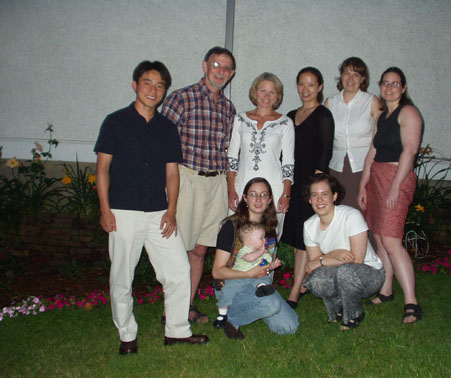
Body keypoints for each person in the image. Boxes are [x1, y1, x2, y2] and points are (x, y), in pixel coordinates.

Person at [95, 61, 208, 355]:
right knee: (122, 276)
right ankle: (127, 335)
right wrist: (105, 210)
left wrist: (171, 211)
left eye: (160, 86)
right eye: (148, 83)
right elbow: (103, 168)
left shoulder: (167, 128)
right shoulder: (115, 122)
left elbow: (172, 173)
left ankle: (177, 331)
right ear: (135, 85)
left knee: (179, 271)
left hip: (159, 213)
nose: (153, 90)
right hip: (123, 212)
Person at [161, 46, 236, 323]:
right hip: (187, 179)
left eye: (226, 68)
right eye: (216, 65)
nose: (221, 72)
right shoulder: (181, 98)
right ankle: (171, 310)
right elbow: (162, 144)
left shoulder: (229, 108)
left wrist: (229, 188)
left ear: (232, 74)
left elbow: (228, 152)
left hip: (215, 182)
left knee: (201, 249)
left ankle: (187, 307)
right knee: (178, 247)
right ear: (205, 65)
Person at [357, 67, 423, 324]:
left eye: (395, 84)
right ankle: (386, 291)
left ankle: (412, 304)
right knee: (379, 236)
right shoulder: (383, 116)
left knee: (392, 239)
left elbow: (409, 151)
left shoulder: (409, 113)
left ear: (403, 88)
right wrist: (363, 185)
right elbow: (372, 152)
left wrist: (396, 185)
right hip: (377, 177)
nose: (389, 87)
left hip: (397, 177)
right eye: (385, 83)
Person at [212, 177, 299, 340]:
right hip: (233, 285)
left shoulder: (271, 227)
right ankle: (231, 318)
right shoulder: (230, 226)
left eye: (263, 195)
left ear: (269, 200)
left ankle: (251, 306)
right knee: (270, 305)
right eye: (253, 194)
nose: (258, 199)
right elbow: (217, 272)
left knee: (289, 327)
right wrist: (249, 274)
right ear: (245, 198)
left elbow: (265, 261)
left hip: (257, 283)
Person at [281, 67, 334, 309]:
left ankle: (295, 291)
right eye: (301, 84)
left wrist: (315, 193)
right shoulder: (291, 115)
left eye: (311, 84)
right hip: (291, 183)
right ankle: (302, 281)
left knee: (305, 239)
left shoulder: (323, 116)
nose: (305, 89)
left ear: (320, 87)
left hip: (310, 186)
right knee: (295, 239)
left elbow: (324, 156)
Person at [302, 173, 384, 330]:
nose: (320, 200)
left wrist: (324, 259)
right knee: (317, 279)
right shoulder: (309, 226)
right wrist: (334, 254)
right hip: (340, 270)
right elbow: (314, 264)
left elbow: (357, 259)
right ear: (310, 199)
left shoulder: (351, 216)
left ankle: (354, 315)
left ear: (334, 196)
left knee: (346, 271)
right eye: (315, 195)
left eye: (325, 194)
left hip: (370, 273)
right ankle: (337, 309)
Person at [227, 72, 294, 239]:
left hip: (273, 190)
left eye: (272, 92)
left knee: (268, 240)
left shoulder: (285, 123)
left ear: (278, 96)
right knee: (237, 238)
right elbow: (232, 158)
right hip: (242, 187)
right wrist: (231, 190)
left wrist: (286, 194)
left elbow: (288, 162)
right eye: (263, 90)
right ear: (254, 92)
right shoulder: (240, 119)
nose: (267, 96)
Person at [325, 57, 381, 210]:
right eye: (346, 73)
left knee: (359, 210)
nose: (350, 78)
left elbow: (380, 136)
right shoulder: (331, 102)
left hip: (363, 167)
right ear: (341, 76)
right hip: (336, 167)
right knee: (337, 210)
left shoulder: (371, 101)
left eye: (356, 74)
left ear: (362, 78)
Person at [213, 221, 282, 328]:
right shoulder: (244, 250)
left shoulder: (265, 252)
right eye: (261, 238)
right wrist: (261, 252)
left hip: (255, 279)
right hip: (239, 278)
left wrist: (273, 265)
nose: (265, 240)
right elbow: (250, 258)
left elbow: (266, 266)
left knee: (265, 279)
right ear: (249, 241)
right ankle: (222, 312)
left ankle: (261, 288)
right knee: (228, 290)